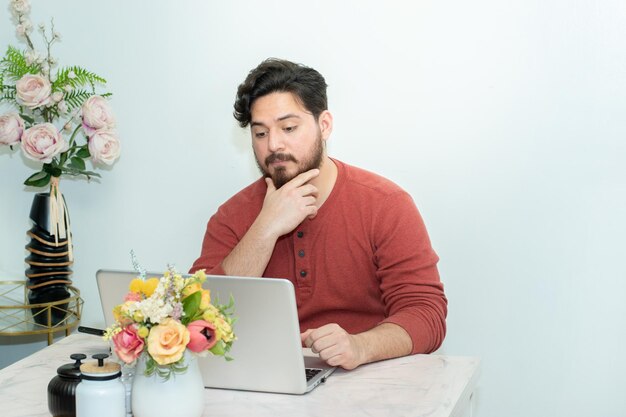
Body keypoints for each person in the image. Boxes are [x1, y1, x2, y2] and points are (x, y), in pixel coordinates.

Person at [190, 58, 447, 370]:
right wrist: (266, 228)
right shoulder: (231, 217)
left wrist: (360, 346)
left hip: (371, 380)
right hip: (265, 382)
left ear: (324, 125)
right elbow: (198, 321)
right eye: (260, 133)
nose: (274, 144)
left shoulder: (386, 204)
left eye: (288, 128)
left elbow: (426, 313)